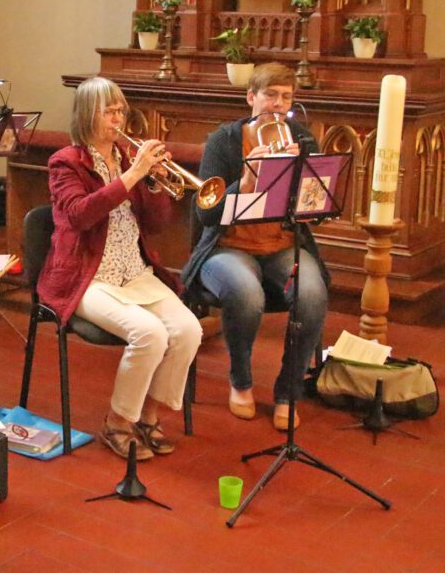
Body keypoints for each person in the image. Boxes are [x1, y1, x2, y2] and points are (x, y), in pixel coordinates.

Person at [38, 77, 202, 461]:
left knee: (188, 330)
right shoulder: (65, 162)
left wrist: (157, 183)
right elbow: (79, 215)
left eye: (120, 110)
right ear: (86, 115)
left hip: (134, 270)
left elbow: (158, 223)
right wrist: (133, 175)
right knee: (149, 334)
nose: (117, 118)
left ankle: (147, 415)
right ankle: (116, 423)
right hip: (86, 276)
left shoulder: (129, 159)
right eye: (108, 111)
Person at [183, 62, 329, 431]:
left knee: (312, 292)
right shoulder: (225, 141)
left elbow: (316, 204)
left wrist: (310, 202)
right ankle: (241, 381)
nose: (278, 105)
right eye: (270, 95)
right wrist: (244, 183)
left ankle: (289, 391)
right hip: (227, 246)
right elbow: (206, 213)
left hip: (282, 245)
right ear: (251, 97)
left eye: (286, 98)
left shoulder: (302, 138)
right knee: (245, 292)